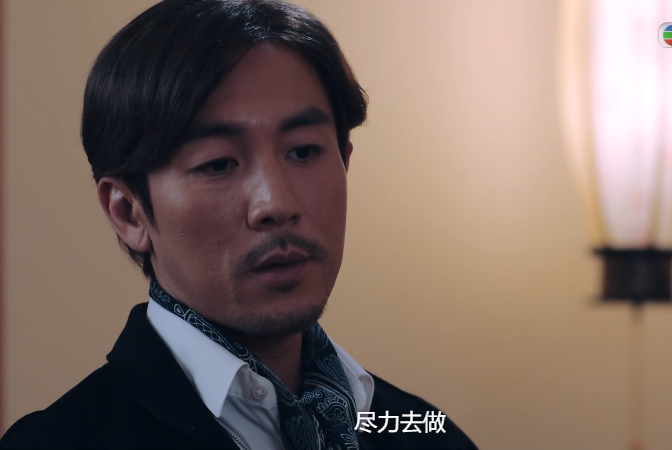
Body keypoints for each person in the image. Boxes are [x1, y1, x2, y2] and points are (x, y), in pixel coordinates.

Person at [0, 1, 478, 449]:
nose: (276, 204)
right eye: (218, 164)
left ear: (345, 161)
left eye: (303, 151)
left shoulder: (423, 432)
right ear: (128, 212)